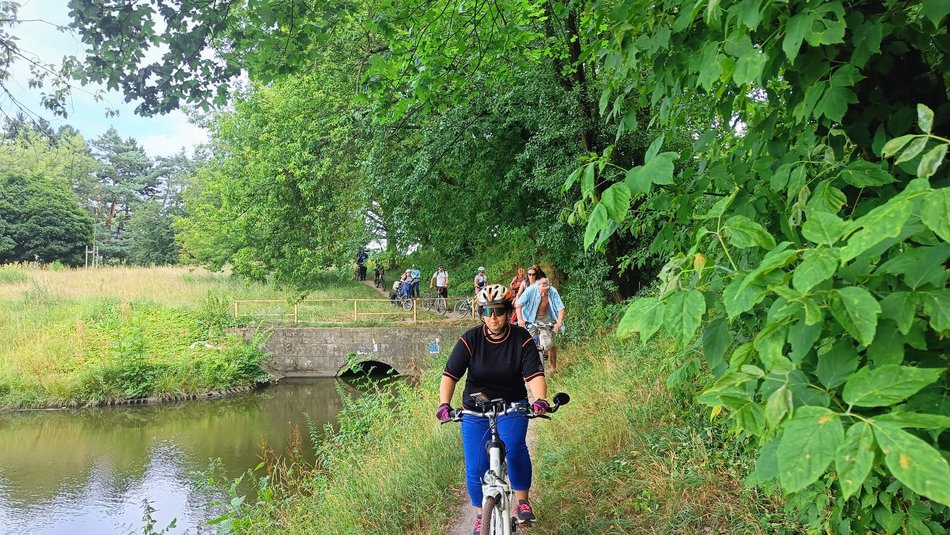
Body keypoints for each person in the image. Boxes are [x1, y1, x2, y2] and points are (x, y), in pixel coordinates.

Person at [436, 284, 549, 533]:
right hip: (475, 410)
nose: (493, 317)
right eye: (487, 312)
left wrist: (540, 399)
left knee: (515, 446)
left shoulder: (522, 339)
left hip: (512, 406)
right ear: (481, 314)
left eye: (499, 311)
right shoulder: (470, 339)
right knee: (475, 465)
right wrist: (444, 404)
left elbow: (534, 375)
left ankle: (522, 502)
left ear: (509, 312)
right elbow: (450, 375)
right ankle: (480, 515)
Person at [515, 276, 565, 374]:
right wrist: (520, 319)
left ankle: (553, 368)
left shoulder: (552, 291)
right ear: (538, 286)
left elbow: (560, 308)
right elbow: (518, 305)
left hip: (546, 317)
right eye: (542, 291)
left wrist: (558, 323)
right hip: (530, 317)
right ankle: (526, 367)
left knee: (549, 343)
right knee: (527, 343)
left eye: (547, 291)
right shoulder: (530, 290)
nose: (544, 293)